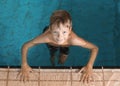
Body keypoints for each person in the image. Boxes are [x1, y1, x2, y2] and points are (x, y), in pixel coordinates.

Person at [18, 10, 98, 83]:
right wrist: (24, 64)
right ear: (50, 29)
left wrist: (89, 66)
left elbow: (94, 48)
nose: (60, 37)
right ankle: (53, 56)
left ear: (70, 29)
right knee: (52, 54)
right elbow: (25, 46)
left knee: (63, 59)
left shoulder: (73, 40)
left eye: (64, 32)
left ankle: (59, 59)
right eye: (56, 32)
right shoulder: (46, 37)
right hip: (51, 43)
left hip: (66, 44)